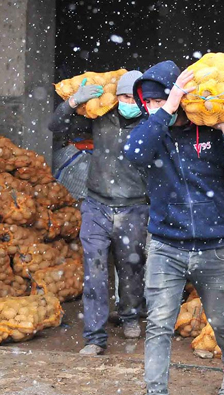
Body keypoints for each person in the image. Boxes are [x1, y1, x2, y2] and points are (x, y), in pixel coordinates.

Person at [124, 61, 224, 395]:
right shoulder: (153, 133)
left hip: (214, 248)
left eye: (160, 100)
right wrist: (163, 112)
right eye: (148, 103)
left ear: (184, 98)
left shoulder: (212, 133)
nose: (152, 108)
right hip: (166, 246)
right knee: (158, 323)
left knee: (221, 320)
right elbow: (134, 153)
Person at [48, 70, 149, 356]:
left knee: (131, 266)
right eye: (123, 96)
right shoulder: (102, 117)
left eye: (133, 97)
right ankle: (94, 336)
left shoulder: (150, 125)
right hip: (96, 205)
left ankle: (130, 314)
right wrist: (71, 103)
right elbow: (55, 126)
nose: (127, 101)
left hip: (135, 206)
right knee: (95, 271)